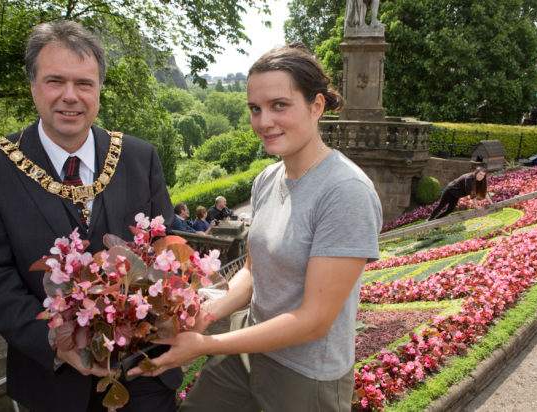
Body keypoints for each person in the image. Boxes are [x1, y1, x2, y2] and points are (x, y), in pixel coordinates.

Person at [129, 43, 382, 411]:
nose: (264, 122)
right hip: (247, 350)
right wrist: (205, 317)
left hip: (305, 374)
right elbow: (251, 271)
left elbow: (313, 321)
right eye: (255, 109)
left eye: (280, 105)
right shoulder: (267, 179)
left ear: (316, 106)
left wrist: (208, 345)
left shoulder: (346, 192)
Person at [0, 20, 181, 412]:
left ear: (98, 90)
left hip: (145, 373)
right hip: (53, 383)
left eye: (84, 83)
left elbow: (162, 249)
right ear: (32, 87)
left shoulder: (138, 156)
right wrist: (61, 344)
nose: (70, 97)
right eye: (55, 81)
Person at [427, 167, 494, 221]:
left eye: (483, 175)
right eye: (480, 174)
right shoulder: (469, 178)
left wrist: (491, 203)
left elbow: (484, 192)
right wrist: (476, 206)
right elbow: (472, 193)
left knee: (450, 210)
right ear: (476, 173)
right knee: (441, 206)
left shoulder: (480, 180)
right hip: (450, 190)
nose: (481, 176)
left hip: (457, 194)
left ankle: (436, 220)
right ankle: (429, 220)